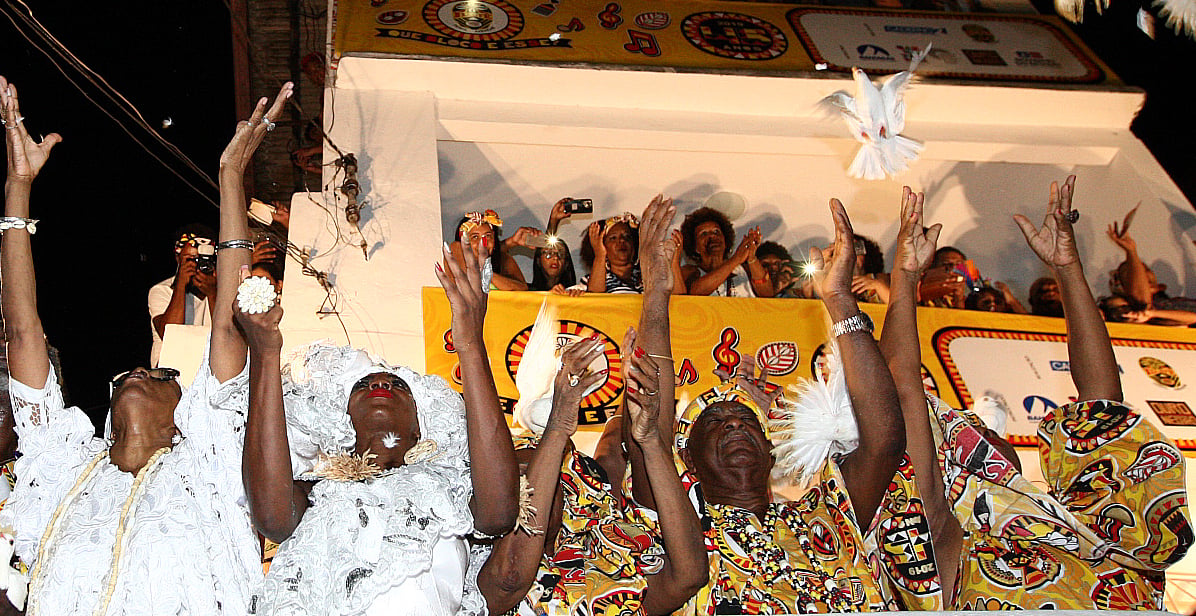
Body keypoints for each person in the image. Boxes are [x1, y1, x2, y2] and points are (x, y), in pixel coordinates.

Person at [1, 77, 293, 614]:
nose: (139, 370)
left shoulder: (209, 461)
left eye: (163, 374)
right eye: (135, 372)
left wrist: (230, 178)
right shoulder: (61, 467)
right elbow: (23, 333)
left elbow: (226, 329)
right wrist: (18, 188)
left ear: (185, 415)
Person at [878, 178, 1193, 610]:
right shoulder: (959, 557)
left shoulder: (1105, 545)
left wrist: (1066, 267)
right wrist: (905, 280)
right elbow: (905, 395)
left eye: (988, 434)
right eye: (979, 437)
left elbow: (1102, 403)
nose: (993, 439)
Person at [633, 197, 906, 613]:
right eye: (715, 422)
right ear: (685, 458)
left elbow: (884, 443)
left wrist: (838, 300)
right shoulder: (680, 535)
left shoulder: (822, 518)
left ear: (772, 448)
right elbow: (651, 432)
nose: (734, 424)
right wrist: (656, 295)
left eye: (746, 419)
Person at [238, 236, 519, 614]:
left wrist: (470, 342)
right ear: (341, 422)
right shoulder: (318, 493)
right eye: (364, 385)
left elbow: (500, 512)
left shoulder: (449, 492)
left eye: (397, 385)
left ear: (422, 426)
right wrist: (265, 354)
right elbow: (271, 517)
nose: (380, 383)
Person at [478, 195, 707, 616]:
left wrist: (656, 292)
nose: (536, 484)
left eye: (547, 471)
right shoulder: (485, 578)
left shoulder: (617, 565)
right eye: (524, 471)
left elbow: (691, 574)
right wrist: (559, 427)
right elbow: (511, 575)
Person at [148, 223, 217, 366]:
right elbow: (170, 335)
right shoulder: (162, 290)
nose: (196, 265)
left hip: (211, 369)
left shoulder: (221, 290)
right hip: (172, 371)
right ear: (178, 258)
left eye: (201, 260)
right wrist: (180, 285)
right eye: (190, 259)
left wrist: (213, 293)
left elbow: (227, 333)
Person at [1107, 208, 1196, 315]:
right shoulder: (1134, 312)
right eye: (1131, 275)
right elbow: (1142, 302)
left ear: (1161, 286)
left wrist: (1184, 248)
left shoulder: (1175, 303)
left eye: (1145, 270)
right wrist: (1131, 251)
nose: (1144, 275)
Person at [680, 207, 773, 297]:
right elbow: (696, 292)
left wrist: (751, 257)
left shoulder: (745, 269)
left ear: (725, 242)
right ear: (695, 247)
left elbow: (768, 294)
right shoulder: (689, 271)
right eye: (704, 233)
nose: (712, 236)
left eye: (716, 232)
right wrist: (736, 259)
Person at [450, 209, 538, 291]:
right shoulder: (455, 248)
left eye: (488, 236)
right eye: (475, 237)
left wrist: (488, 273)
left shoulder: (503, 258)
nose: (482, 243)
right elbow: (466, 283)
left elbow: (522, 289)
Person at [578, 212, 646, 293]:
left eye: (627, 236)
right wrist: (600, 255)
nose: (622, 240)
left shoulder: (647, 277)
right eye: (613, 238)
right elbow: (595, 297)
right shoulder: (589, 281)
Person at [851, 235, 891, 304]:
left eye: (856, 250)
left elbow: (901, 309)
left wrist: (878, 286)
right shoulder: (830, 281)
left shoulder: (882, 279)